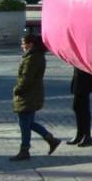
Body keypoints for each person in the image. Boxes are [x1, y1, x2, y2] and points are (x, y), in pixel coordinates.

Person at [11, 33, 62, 161]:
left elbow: (26, 78)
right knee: (29, 123)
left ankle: (25, 149)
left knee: (24, 124)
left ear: (31, 44)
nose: (22, 46)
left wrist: (17, 89)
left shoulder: (32, 58)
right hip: (33, 94)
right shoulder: (36, 55)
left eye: (24, 43)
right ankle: (51, 139)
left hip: (28, 95)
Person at [68, 66, 92, 147]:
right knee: (78, 107)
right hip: (80, 73)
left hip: (85, 74)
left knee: (83, 107)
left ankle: (87, 136)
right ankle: (80, 134)